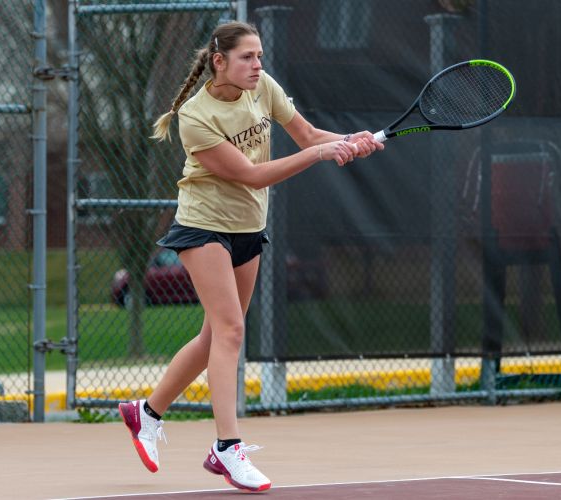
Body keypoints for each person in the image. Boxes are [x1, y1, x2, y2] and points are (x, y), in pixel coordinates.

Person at [118, 21, 383, 492]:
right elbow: (251, 176)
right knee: (232, 330)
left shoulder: (265, 89)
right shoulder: (194, 117)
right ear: (219, 62)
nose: (257, 65)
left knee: (212, 338)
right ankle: (227, 447)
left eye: (259, 56)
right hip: (203, 225)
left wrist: (346, 140)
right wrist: (323, 155)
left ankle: (146, 412)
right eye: (246, 57)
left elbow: (305, 134)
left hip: (247, 228)